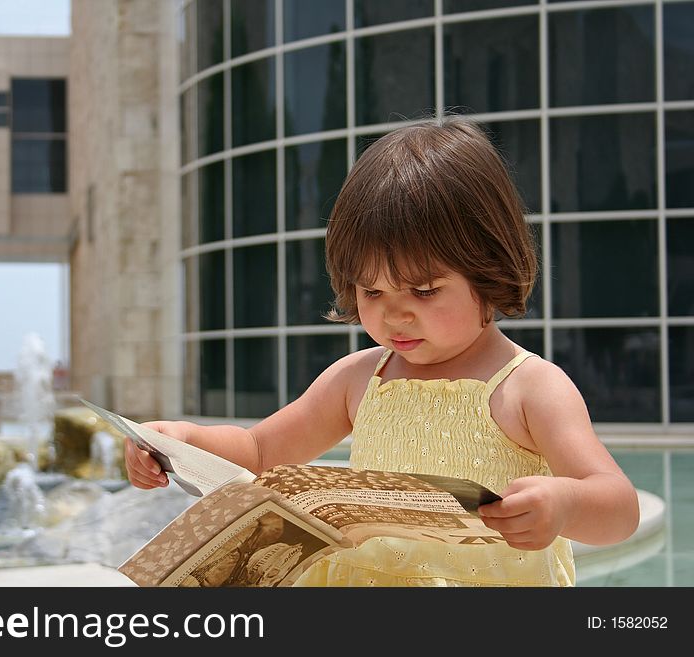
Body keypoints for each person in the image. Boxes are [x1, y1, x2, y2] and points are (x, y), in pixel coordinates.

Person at [124, 119, 640, 587]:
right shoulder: (358, 379)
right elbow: (260, 452)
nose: (395, 316)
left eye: (423, 291)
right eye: (372, 292)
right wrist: (180, 440)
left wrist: (564, 504)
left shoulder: (528, 387)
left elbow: (619, 507)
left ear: (488, 267)